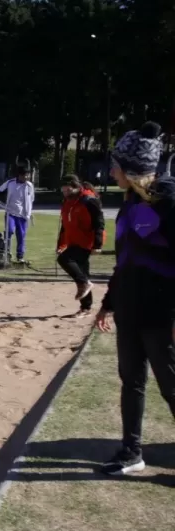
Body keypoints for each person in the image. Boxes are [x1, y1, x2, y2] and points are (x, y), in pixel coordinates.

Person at [94, 121, 175, 476]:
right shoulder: (127, 206)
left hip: (162, 315)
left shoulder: (169, 205)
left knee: (172, 388)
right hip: (129, 311)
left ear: (131, 169)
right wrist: (109, 302)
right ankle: (132, 451)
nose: (110, 171)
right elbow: (125, 261)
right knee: (132, 382)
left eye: (115, 165)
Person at [56, 174, 105, 318]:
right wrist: (61, 243)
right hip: (73, 240)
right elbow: (65, 225)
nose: (65, 193)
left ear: (76, 187)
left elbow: (99, 222)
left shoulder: (89, 200)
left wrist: (97, 244)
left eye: (67, 190)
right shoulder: (67, 201)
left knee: (65, 260)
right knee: (83, 272)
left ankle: (84, 284)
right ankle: (86, 307)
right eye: (63, 191)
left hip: (86, 241)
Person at [0, 166, 35, 262]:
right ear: (19, 175)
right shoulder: (10, 183)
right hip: (10, 213)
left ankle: (20, 256)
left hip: (23, 215)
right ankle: (7, 252)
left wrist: (29, 213)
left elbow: (31, 200)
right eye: (25, 175)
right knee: (9, 231)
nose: (27, 177)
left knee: (21, 236)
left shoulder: (29, 186)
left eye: (28, 175)